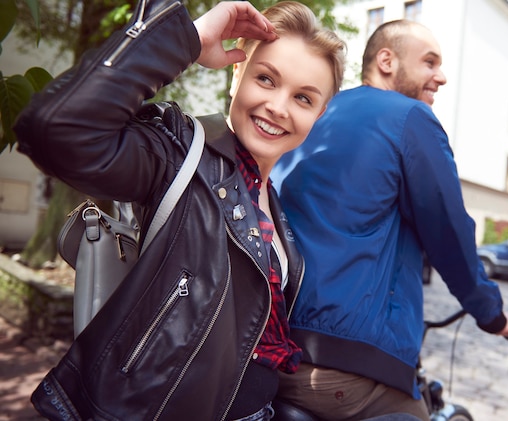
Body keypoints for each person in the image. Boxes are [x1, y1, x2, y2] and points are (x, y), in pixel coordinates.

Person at [13, 1, 345, 420]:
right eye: (266, 79)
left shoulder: (272, 203)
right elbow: (58, 129)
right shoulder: (181, 157)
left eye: (303, 97)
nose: (279, 107)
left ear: (318, 114)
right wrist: (186, 39)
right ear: (236, 75)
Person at [270, 19, 508, 421]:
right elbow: (449, 231)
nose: (441, 76)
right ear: (387, 60)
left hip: (275, 347)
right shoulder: (410, 118)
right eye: (429, 62)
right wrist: (492, 315)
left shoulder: (316, 111)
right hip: (349, 365)